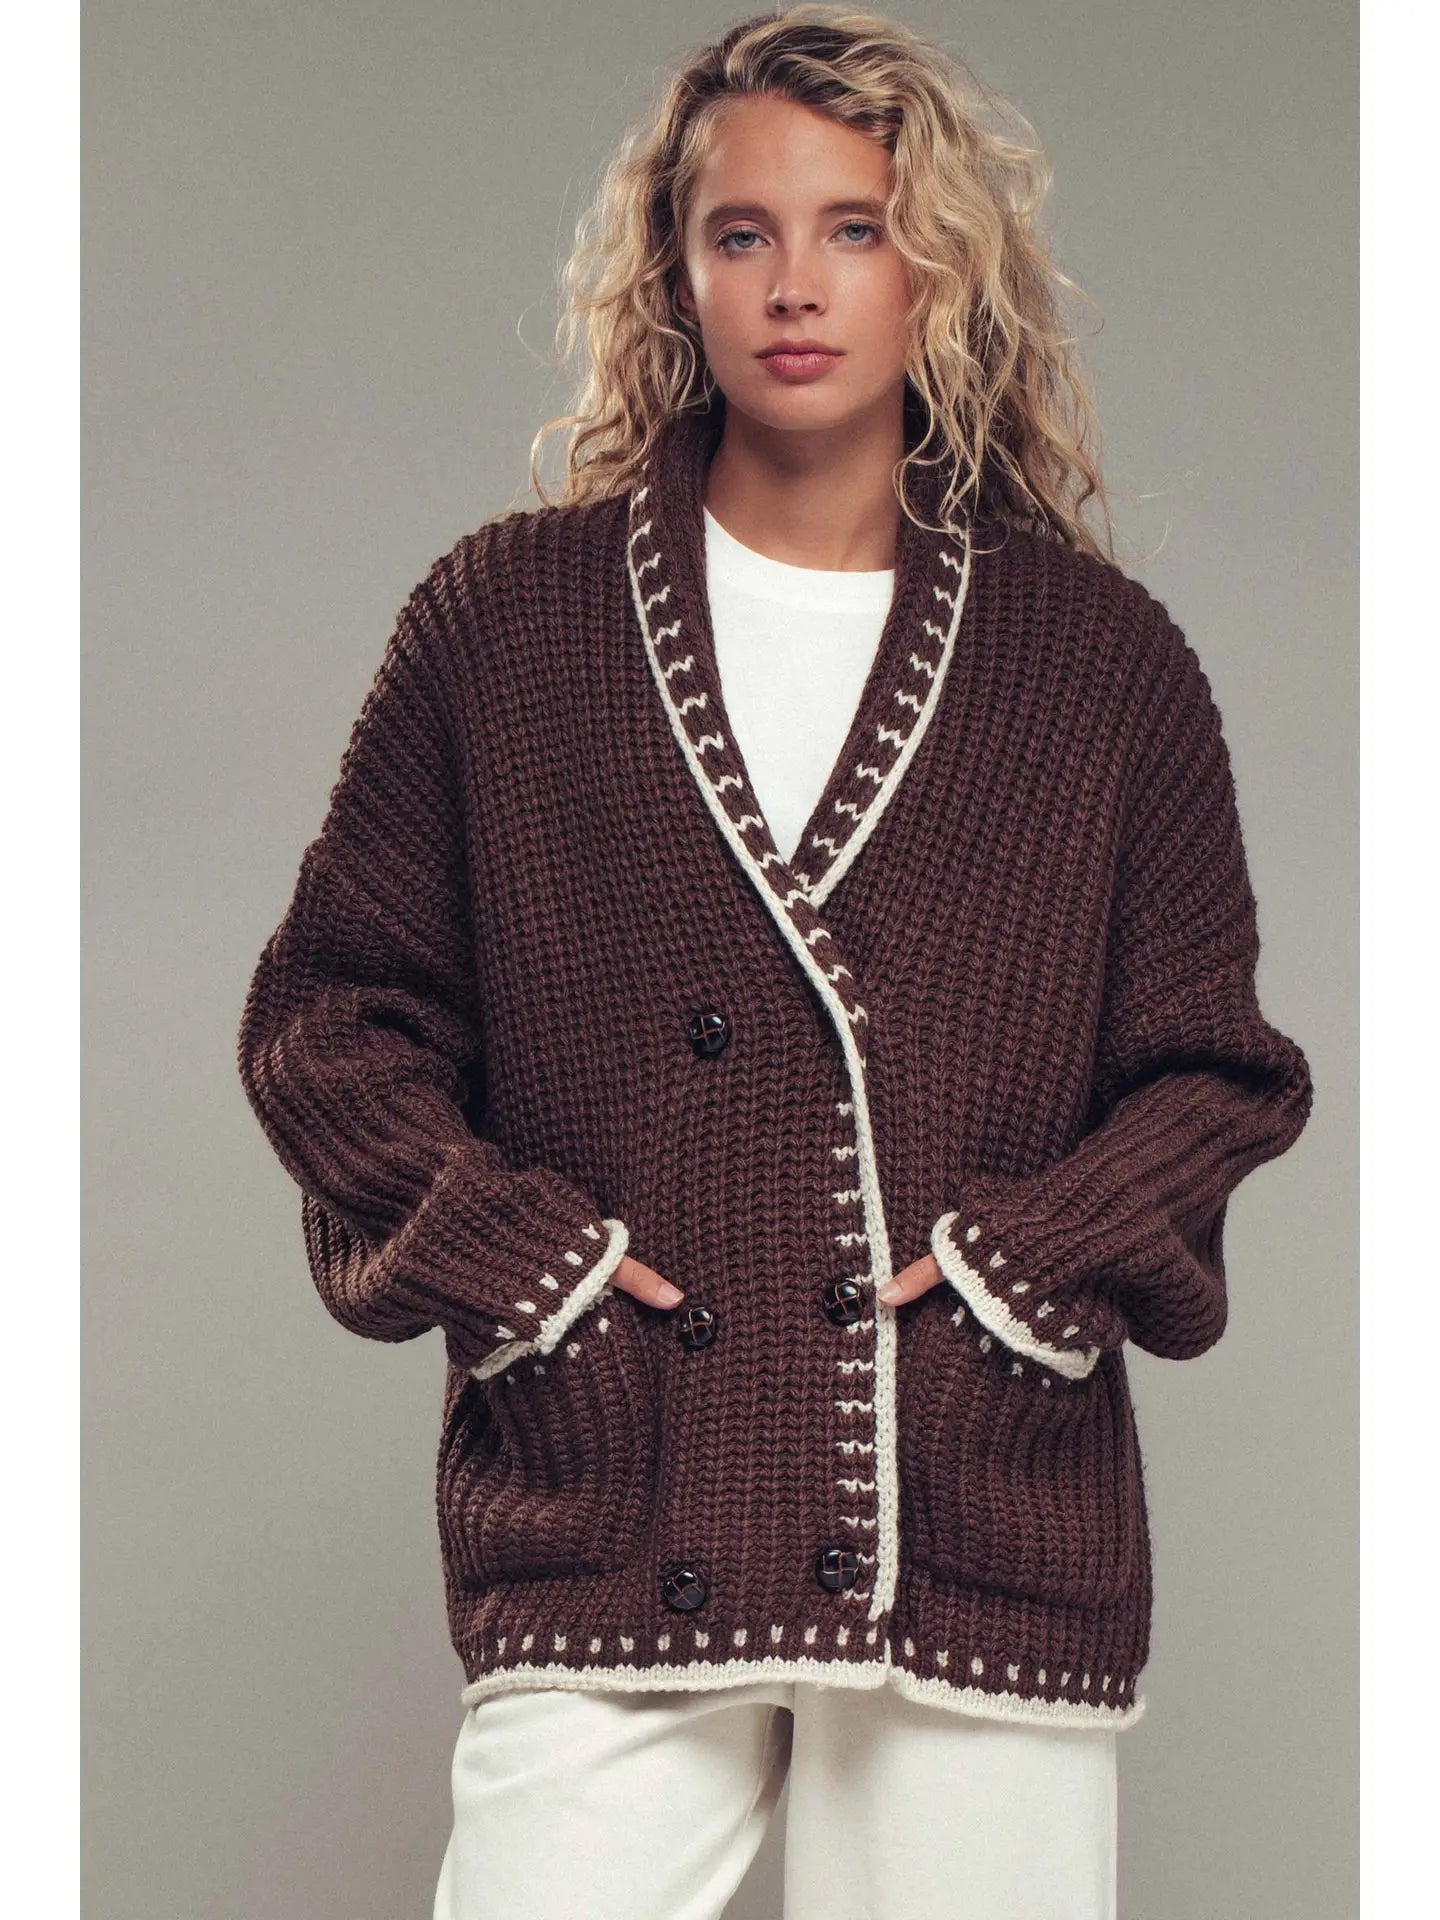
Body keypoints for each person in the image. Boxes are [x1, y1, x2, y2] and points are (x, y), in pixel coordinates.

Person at [235, 8, 1315, 1917]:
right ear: (679, 273)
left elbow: (1210, 1074)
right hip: (616, 1483)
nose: (795, 285)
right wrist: (537, 1276)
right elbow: (330, 1024)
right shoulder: (507, 623)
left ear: (938, 272)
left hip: (973, 1501)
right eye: (743, 233)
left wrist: (1018, 1277)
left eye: (855, 230)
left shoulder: (1102, 664)